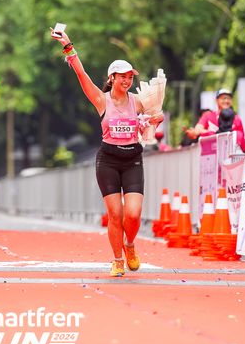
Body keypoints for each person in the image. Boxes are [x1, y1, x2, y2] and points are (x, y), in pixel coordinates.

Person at [52, 29, 163, 277]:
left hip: (132, 160)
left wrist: (156, 120)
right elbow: (81, 75)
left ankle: (129, 245)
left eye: (130, 77)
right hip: (108, 161)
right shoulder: (101, 100)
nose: (127, 81)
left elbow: (149, 126)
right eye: (122, 77)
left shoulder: (138, 102)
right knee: (115, 214)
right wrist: (68, 46)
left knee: (133, 214)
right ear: (111, 78)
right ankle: (117, 260)